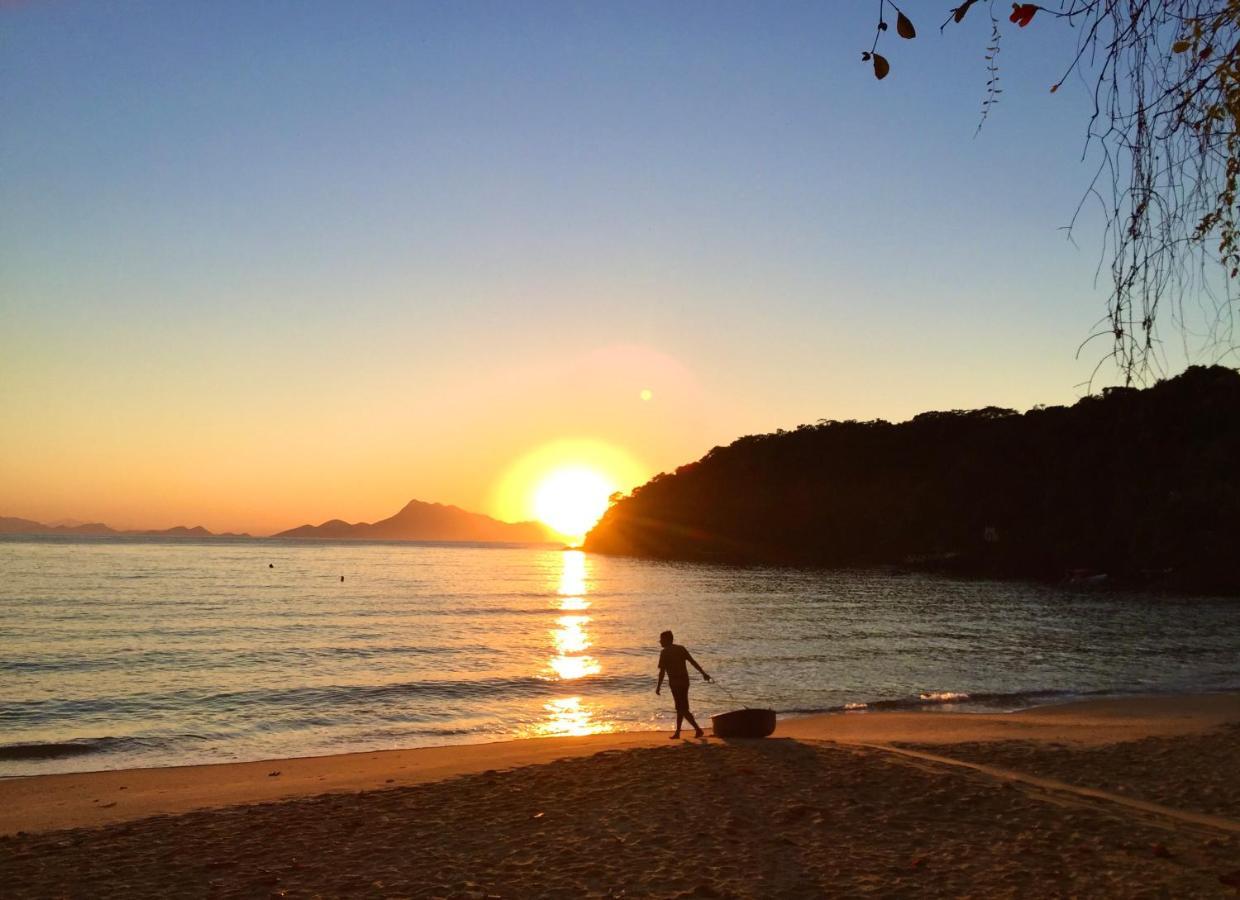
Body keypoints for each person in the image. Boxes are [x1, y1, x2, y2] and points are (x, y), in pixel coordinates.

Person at [655, 630, 711, 739]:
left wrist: (658, 687)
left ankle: (698, 729)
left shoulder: (664, 653)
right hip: (685, 682)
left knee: (681, 708)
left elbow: (662, 672)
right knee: (681, 707)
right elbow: (693, 662)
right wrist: (703, 673)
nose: (660, 642)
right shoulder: (681, 649)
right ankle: (678, 732)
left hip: (675, 683)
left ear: (667, 640)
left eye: (661, 639)